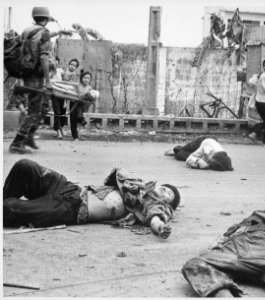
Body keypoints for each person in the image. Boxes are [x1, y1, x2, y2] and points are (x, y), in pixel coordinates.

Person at [3, 159, 181, 239]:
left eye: (169, 195)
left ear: (167, 204)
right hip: (69, 188)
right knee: (25, 167)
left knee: (9, 207)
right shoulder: (137, 185)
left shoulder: (152, 204)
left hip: (70, 209)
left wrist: (159, 227)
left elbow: (155, 217)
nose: (164, 192)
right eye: (165, 188)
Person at [8, 7, 54, 154]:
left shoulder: (27, 30)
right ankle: (17, 143)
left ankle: (29, 136)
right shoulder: (44, 32)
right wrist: (48, 80)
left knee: (44, 107)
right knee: (36, 111)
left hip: (26, 73)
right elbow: (44, 57)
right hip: (37, 76)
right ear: (46, 19)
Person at [246, 59, 265, 146]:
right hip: (262, 102)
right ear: (263, 67)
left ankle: (254, 134)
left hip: (264, 102)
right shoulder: (264, 76)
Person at [165, 137, 233, 171]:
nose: (208, 161)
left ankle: (177, 152)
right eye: (209, 160)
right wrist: (201, 163)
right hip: (200, 142)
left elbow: (225, 165)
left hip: (212, 141)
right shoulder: (208, 149)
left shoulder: (223, 155)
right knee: (179, 152)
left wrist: (206, 165)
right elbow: (190, 158)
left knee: (181, 155)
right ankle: (175, 150)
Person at [70, 71, 95, 141]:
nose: (86, 80)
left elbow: (91, 99)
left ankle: (83, 123)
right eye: (85, 78)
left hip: (81, 105)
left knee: (79, 116)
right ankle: (75, 137)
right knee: (73, 121)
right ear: (81, 78)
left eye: (88, 78)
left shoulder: (89, 88)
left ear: (90, 80)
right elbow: (73, 94)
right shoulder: (77, 86)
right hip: (74, 104)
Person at [50, 56, 67, 139]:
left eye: (56, 61)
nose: (55, 62)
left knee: (63, 113)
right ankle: (58, 131)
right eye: (53, 61)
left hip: (62, 94)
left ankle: (61, 128)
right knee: (57, 113)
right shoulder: (49, 72)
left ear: (58, 62)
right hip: (54, 95)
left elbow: (66, 81)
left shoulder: (61, 71)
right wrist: (53, 71)